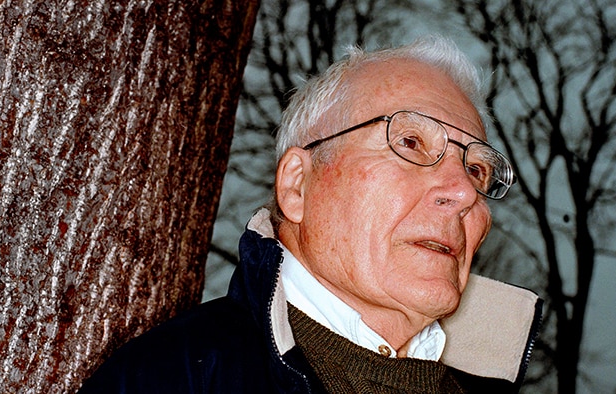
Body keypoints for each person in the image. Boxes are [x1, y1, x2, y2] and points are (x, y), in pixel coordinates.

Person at [79, 36, 542, 393]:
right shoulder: (171, 379)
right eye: (410, 142)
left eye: (477, 169)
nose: (463, 192)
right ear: (297, 185)